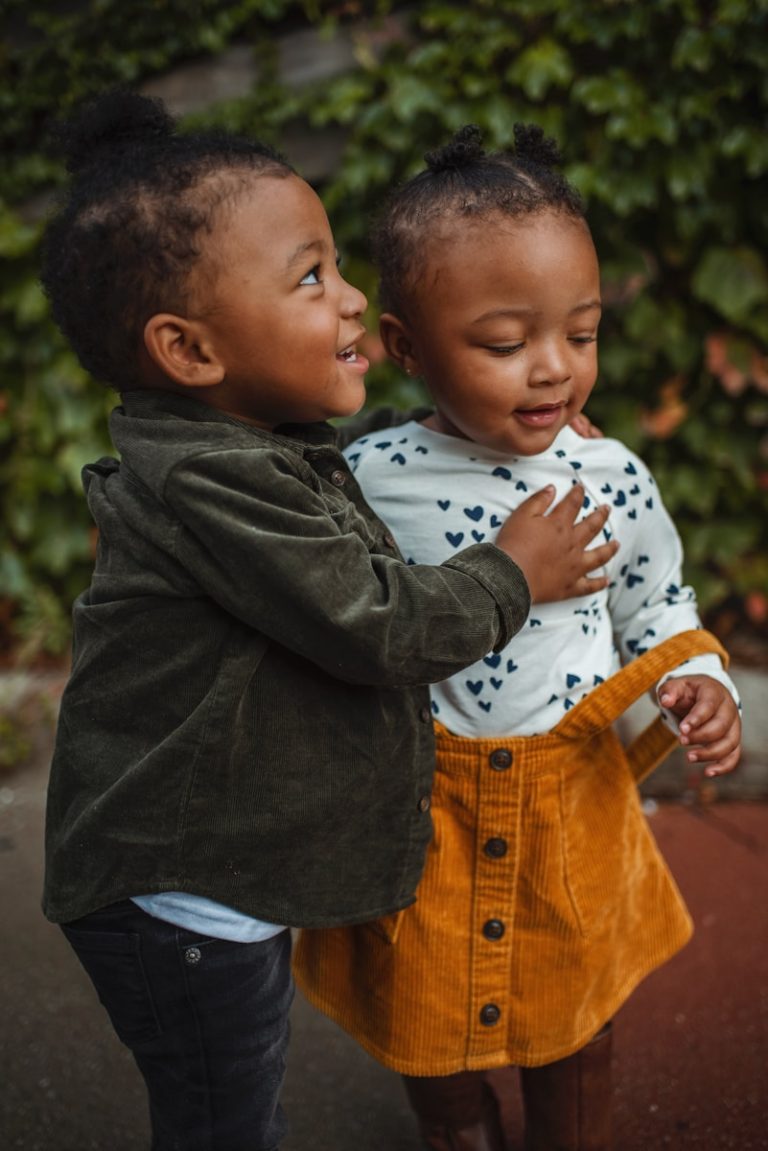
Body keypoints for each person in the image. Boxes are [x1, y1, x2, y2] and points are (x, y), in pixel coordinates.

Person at [38, 92, 619, 1151]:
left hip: (208, 885)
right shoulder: (214, 485)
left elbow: (338, 476)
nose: (352, 302)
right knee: (225, 1117)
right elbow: (376, 620)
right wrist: (512, 571)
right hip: (182, 902)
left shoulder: (245, 444)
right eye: (312, 277)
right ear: (190, 350)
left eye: (338, 266)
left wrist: (468, 423)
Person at [293, 124, 743, 1151]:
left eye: (580, 335)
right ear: (406, 344)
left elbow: (655, 602)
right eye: (503, 344)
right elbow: (336, 616)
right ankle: (456, 1131)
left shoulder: (612, 475)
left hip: (572, 802)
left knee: (576, 1019)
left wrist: (700, 676)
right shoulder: (367, 477)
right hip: (422, 803)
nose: (552, 371)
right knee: (424, 1018)